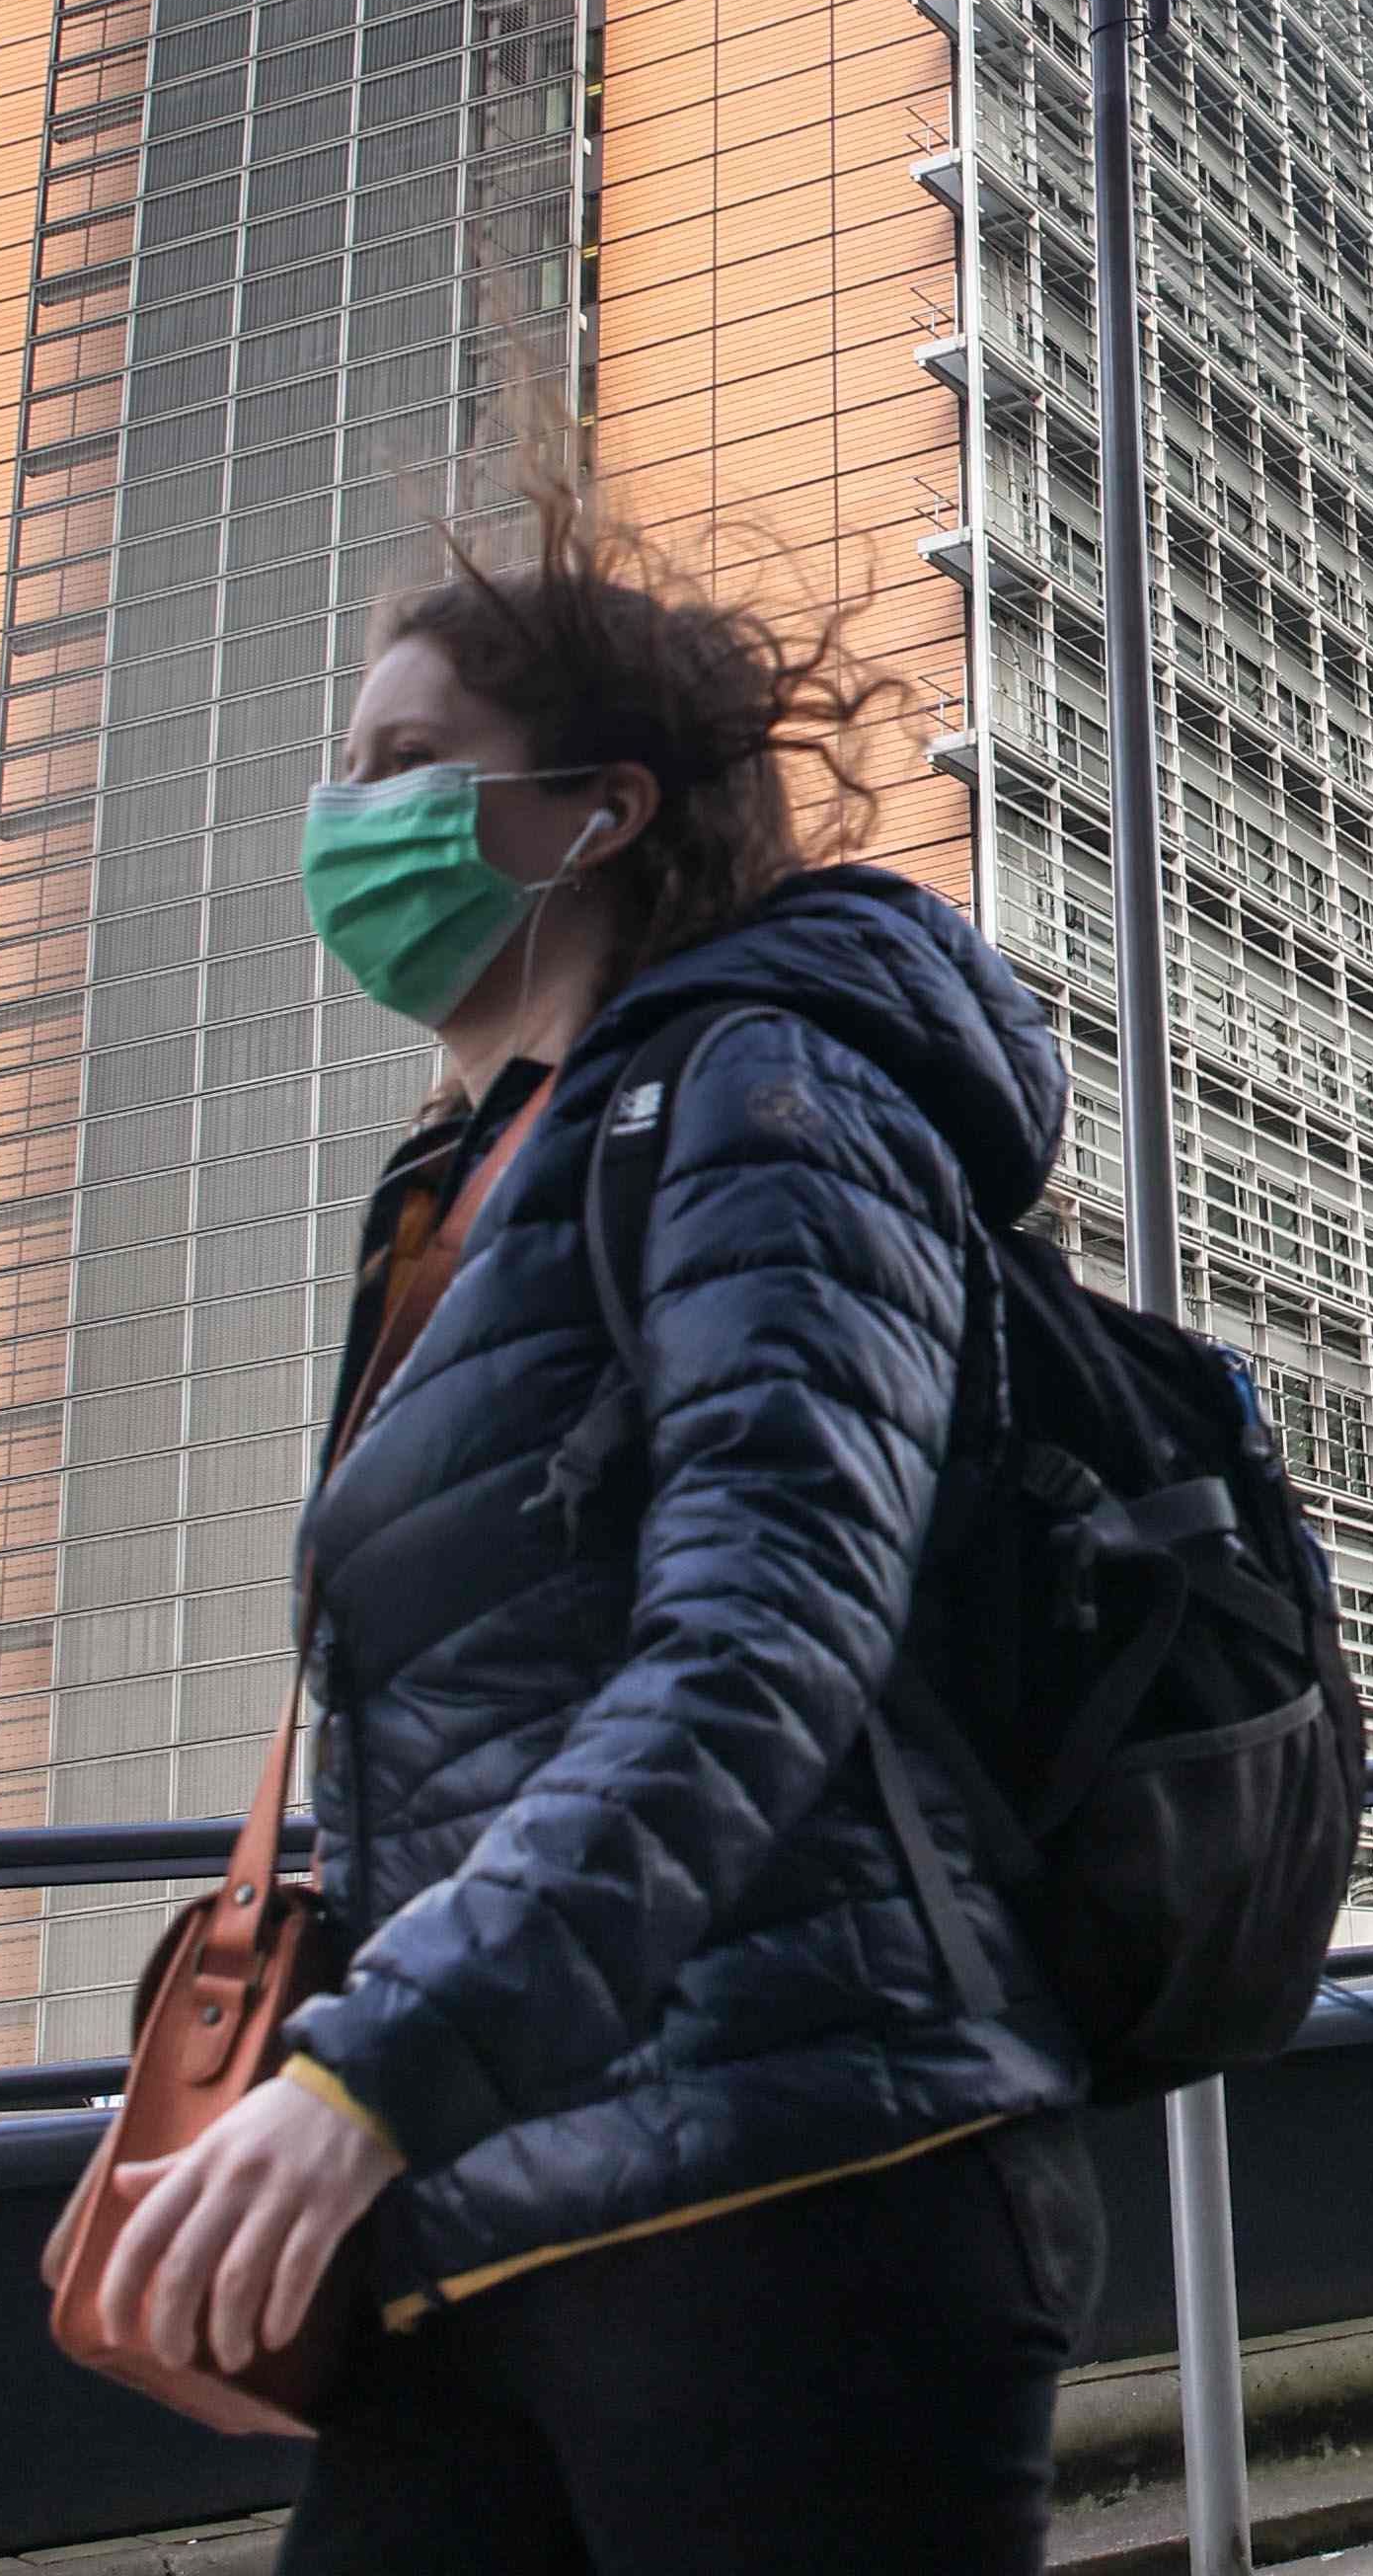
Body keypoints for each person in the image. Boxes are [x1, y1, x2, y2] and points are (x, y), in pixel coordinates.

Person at [68, 480, 1102, 2573]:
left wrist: (378, 2066)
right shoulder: (467, 1189)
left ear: (592, 815)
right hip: (485, 2197)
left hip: (784, 2188)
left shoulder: (759, 1094)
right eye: (336, 768)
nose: (338, 816)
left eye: (403, 767)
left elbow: (764, 1638)